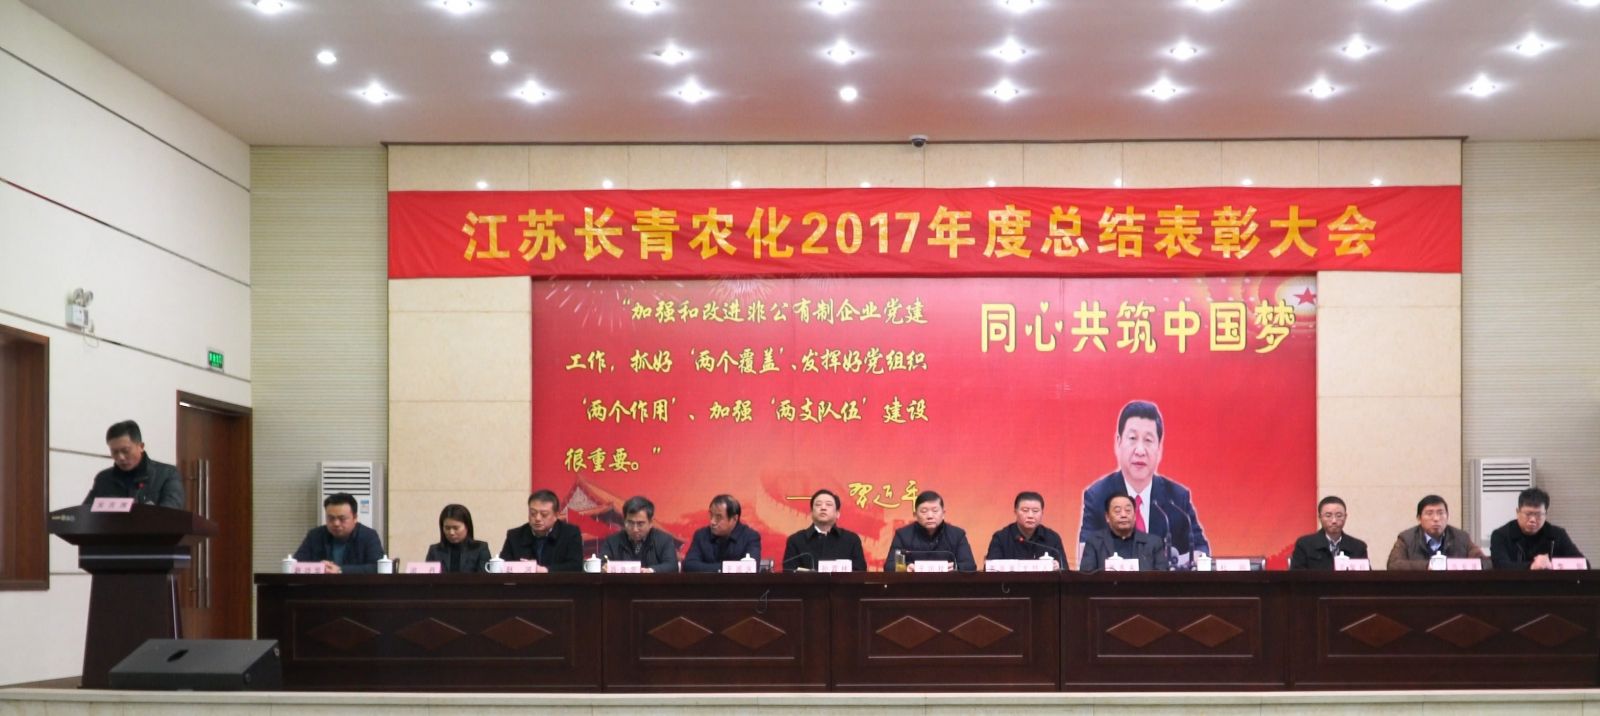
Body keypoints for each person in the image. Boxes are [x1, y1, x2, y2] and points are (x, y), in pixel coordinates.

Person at [1079, 401, 1209, 570]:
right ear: (1118, 442)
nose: (1140, 450)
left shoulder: (1176, 498)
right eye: (1132, 438)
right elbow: (1085, 557)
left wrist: (1179, 562)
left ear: (1159, 448)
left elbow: (1201, 550)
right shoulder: (1097, 495)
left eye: (1148, 440)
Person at [82, 420, 185, 509]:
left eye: (125, 451)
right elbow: (85, 513)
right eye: (115, 452)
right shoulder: (103, 479)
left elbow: (171, 511)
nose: (121, 457)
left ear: (141, 446)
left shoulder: (167, 474)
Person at [1489, 488, 1585, 570]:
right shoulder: (1501, 535)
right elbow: (1500, 566)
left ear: (1545, 514)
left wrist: (1551, 565)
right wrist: (1532, 566)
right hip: (1514, 586)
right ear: (1518, 512)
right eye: (1528, 514)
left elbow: (1583, 564)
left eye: (1538, 515)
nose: (1533, 520)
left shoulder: (1557, 535)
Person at [1386, 494, 1487, 570]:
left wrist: (1450, 565)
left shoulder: (1461, 537)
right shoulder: (1406, 538)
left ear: (1447, 516)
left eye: (1440, 513)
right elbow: (1393, 565)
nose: (1436, 518)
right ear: (1419, 518)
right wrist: (1428, 565)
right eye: (1429, 513)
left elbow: (1485, 563)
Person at [292, 492, 385, 574]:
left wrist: (340, 570)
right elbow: (295, 564)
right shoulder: (315, 535)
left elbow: (377, 567)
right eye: (331, 518)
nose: (336, 523)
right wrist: (318, 567)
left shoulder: (368, 536)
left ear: (355, 518)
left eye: (342, 519)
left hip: (355, 587)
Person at [884, 491, 977, 572]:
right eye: (924, 511)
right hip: (914, 585)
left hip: (947, 585)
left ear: (943, 513)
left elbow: (970, 566)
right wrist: (906, 567)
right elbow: (890, 566)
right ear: (915, 514)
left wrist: (955, 567)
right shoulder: (903, 535)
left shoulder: (957, 535)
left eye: (935, 511)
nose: (930, 516)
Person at [782, 489, 867, 572]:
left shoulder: (851, 540)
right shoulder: (796, 540)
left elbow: (860, 573)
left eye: (828, 504)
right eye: (818, 504)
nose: (823, 508)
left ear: (837, 514)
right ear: (811, 513)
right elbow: (788, 574)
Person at [1079, 493, 1169, 572]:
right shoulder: (1095, 542)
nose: (1123, 515)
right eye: (1117, 511)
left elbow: (1163, 577)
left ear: (1135, 516)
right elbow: (1086, 576)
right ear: (1107, 517)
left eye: (1128, 510)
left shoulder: (1153, 543)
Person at [499, 489, 583, 572]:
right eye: (533, 513)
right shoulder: (515, 536)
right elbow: (502, 566)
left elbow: (576, 566)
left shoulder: (570, 534)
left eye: (544, 514)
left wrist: (545, 570)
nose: (537, 518)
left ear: (556, 515)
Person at [985, 491, 1067, 568]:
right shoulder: (1001, 538)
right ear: (1015, 511)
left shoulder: (1052, 538)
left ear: (1042, 513)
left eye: (1035, 511)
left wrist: (1059, 568)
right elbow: (990, 571)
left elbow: (1066, 572)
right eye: (1025, 510)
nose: (1030, 515)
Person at [598, 495, 680, 573]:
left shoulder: (664, 540)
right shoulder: (612, 541)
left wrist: (651, 570)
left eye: (640, 524)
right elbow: (600, 562)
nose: (635, 529)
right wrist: (603, 567)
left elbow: (672, 566)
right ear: (624, 520)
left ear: (651, 522)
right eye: (630, 523)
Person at [683, 494, 762, 572]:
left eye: (718, 517)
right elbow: (689, 565)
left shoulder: (750, 537)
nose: (712, 522)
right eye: (711, 515)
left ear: (734, 518)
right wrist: (726, 568)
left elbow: (750, 567)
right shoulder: (701, 535)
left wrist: (716, 568)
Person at [1289, 496, 1369, 570]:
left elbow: (1366, 577)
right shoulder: (1305, 544)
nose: (1334, 521)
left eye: (1339, 515)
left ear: (1345, 517)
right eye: (1328, 516)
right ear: (1320, 517)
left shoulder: (1358, 547)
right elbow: (1296, 576)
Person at [425, 503, 492, 573]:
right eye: (447, 528)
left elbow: (484, 577)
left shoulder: (480, 548)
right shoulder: (435, 550)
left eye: (456, 528)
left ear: (467, 527)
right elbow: (428, 577)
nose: (451, 532)